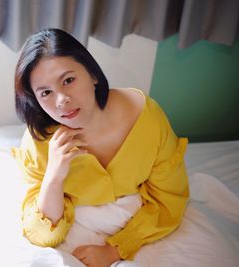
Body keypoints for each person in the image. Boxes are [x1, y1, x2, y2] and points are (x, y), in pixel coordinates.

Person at [12, 28, 189, 267]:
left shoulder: (147, 119)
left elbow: (170, 201)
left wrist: (116, 249)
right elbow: (42, 234)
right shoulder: (38, 144)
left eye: (68, 80)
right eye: (46, 93)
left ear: (93, 74)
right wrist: (54, 175)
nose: (61, 99)